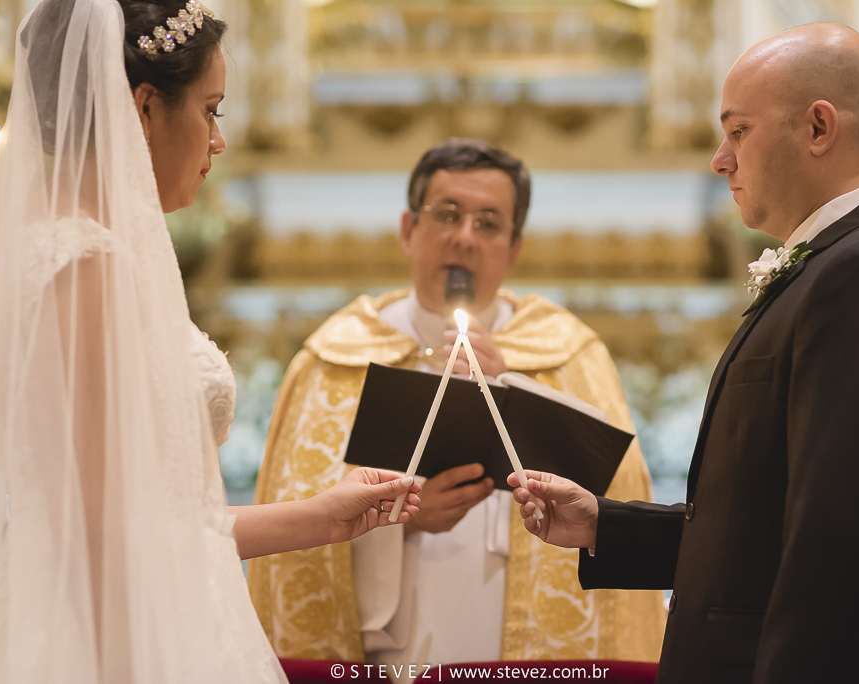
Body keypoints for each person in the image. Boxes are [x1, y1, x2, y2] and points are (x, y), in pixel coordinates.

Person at [0, 1, 420, 682]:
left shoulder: (59, 248)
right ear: (144, 108)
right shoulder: (83, 265)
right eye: (211, 110)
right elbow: (100, 543)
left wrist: (321, 519)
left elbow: (156, 520)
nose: (218, 139)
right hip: (113, 643)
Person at [509, 23, 859, 684]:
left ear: (817, 128)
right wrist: (604, 528)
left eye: (739, 130)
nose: (719, 159)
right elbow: (762, 533)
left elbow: (838, 554)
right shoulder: (832, 270)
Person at [247, 139, 666, 674]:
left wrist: (511, 383)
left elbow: (617, 492)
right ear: (408, 230)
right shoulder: (334, 356)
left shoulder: (567, 352)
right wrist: (403, 524)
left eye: (488, 223)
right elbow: (290, 524)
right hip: (389, 646)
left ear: (513, 248)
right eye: (447, 214)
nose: (465, 237)